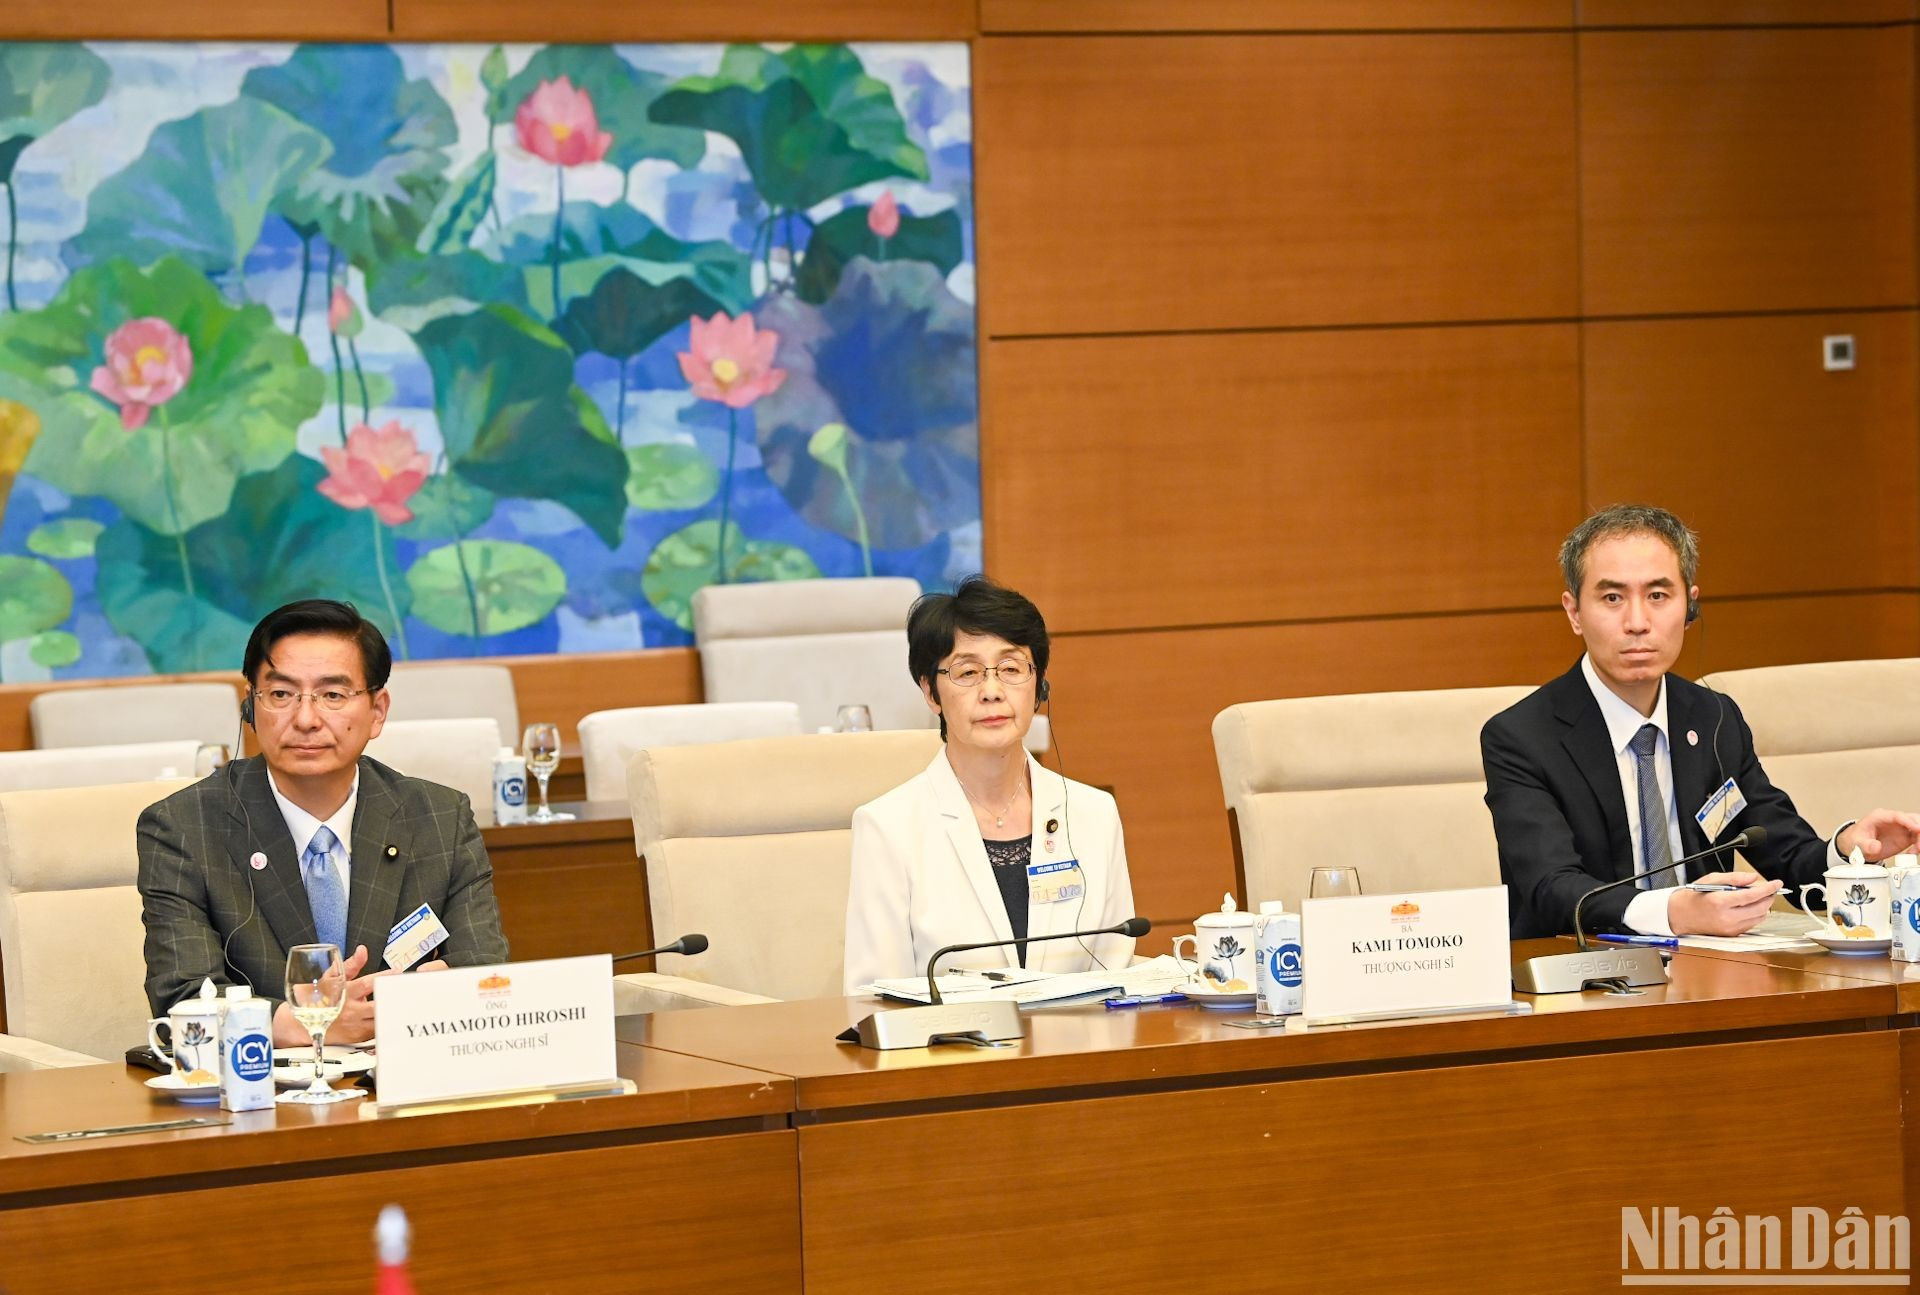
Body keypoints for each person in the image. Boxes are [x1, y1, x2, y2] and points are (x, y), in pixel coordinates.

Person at [1483, 504, 1920, 939]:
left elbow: (1787, 857)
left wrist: (1850, 851)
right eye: (1612, 598)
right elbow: (1552, 889)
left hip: (1710, 969)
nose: (1637, 623)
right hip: (1584, 974)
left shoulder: (1714, 718)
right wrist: (1675, 911)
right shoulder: (1522, 737)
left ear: (1690, 608)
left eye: (1658, 596)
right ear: (1574, 611)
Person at [138, 600, 509, 1045]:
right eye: (281, 695)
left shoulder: (438, 816)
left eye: (333, 695)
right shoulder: (184, 828)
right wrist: (307, 1024)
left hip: (407, 1079)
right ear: (251, 709)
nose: (307, 719)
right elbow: (183, 998)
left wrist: (437, 995)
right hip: (262, 1093)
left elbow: (484, 968)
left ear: (377, 711)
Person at [842, 576, 1136, 992]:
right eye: (967, 673)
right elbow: (873, 999)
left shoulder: (1093, 813)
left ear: (1039, 685)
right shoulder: (888, 826)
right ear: (931, 693)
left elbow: (1115, 975)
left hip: (1077, 1049)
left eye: (1012, 668)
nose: (992, 691)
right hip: (949, 1053)